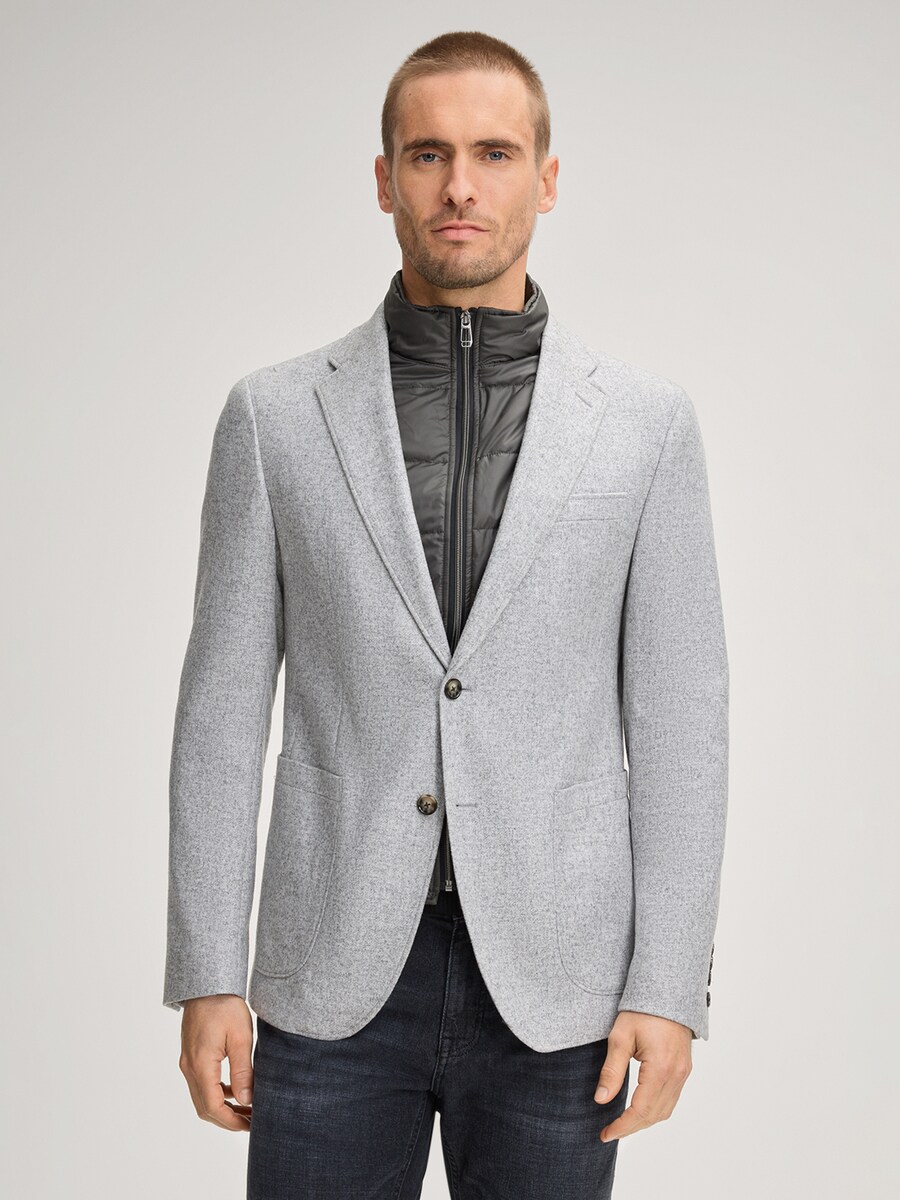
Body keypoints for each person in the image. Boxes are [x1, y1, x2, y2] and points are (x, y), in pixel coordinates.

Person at [163, 29, 729, 1200]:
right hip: (331, 973)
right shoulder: (275, 419)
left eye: (494, 153)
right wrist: (209, 970)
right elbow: (219, 716)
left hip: (559, 986)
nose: (460, 185)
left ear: (547, 179)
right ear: (384, 180)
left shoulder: (645, 426)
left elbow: (683, 728)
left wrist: (669, 986)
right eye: (428, 155)